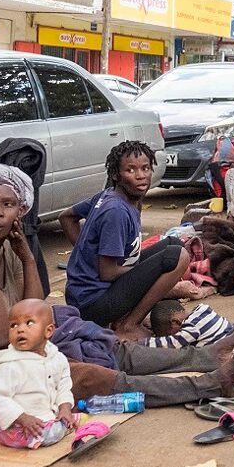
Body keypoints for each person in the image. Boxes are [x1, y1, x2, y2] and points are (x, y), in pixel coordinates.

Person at [0, 164, 234, 411]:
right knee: (78, 375)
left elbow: (32, 312)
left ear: (21, 212)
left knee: (102, 346)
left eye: (8, 205)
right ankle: (205, 385)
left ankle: (206, 356)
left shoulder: (8, 247)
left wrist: (29, 259)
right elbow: (4, 336)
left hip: (4, 351)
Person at [60, 142, 188, 338]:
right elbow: (108, 272)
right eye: (130, 170)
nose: (140, 175)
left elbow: (67, 217)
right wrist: (147, 276)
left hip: (93, 292)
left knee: (174, 244)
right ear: (115, 175)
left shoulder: (113, 196)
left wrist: (86, 254)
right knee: (179, 257)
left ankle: (126, 316)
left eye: (145, 168)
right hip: (93, 303)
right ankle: (128, 325)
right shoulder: (116, 211)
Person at [0, 299, 78, 449]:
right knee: (48, 435)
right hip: (16, 421)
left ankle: (60, 421)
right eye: (13, 325)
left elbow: (63, 385)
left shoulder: (57, 358)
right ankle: (53, 429)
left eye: (29, 323)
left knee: (64, 418)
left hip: (44, 414)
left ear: (48, 331)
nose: (20, 329)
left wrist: (65, 408)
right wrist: (22, 418)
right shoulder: (9, 365)